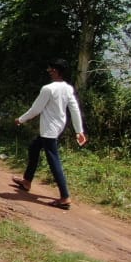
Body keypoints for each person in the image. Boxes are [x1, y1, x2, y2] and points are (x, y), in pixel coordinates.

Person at [11, 59, 88, 210]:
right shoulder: (68, 88)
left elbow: (36, 109)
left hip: (49, 130)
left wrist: (20, 119)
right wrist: (79, 131)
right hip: (58, 127)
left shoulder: (48, 89)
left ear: (55, 71)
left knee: (54, 160)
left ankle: (65, 197)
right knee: (34, 147)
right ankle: (26, 181)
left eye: (50, 69)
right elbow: (75, 110)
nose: (48, 71)